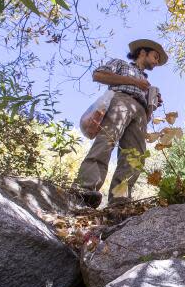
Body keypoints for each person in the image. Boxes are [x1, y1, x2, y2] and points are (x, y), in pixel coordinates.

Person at [72, 39, 168, 208]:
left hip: (141, 113)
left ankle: (120, 202)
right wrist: (135, 82)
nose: (157, 61)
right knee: (106, 141)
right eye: (155, 56)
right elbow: (98, 75)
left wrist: (152, 105)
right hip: (120, 100)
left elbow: (148, 109)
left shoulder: (147, 81)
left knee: (134, 157)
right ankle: (85, 189)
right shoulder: (121, 64)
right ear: (143, 52)